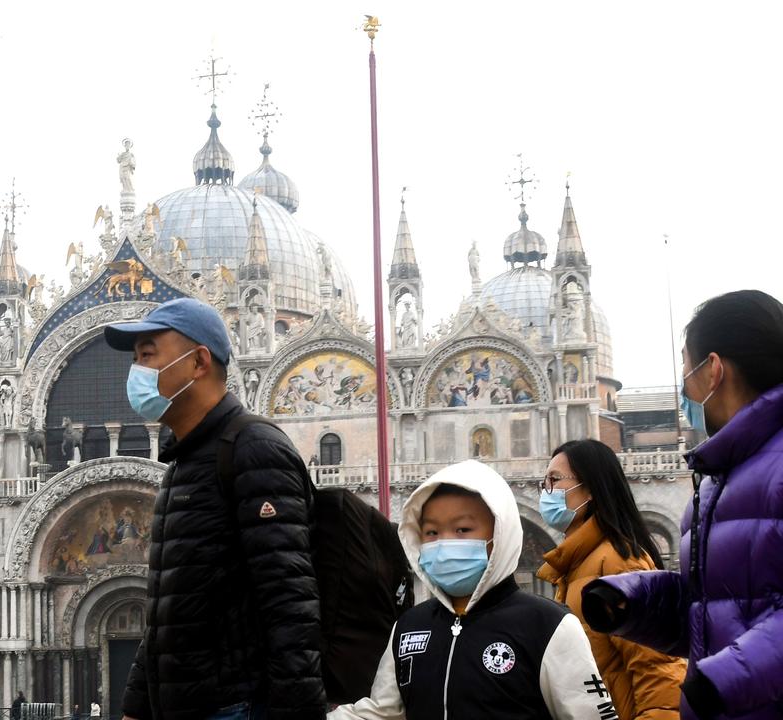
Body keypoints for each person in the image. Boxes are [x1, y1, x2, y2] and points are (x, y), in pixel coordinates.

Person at [106, 297, 325, 718]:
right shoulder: (184, 463)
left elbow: (290, 605)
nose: (136, 371)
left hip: (236, 706)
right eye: (136, 359)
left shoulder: (253, 448)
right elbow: (166, 609)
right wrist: (135, 705)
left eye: (148, 355)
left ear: (199, 362)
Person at [584, 289, 783, 719]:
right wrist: (632, 600)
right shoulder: (715, 481)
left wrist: (724, 678)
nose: (684, 387)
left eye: (684, 366)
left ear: (712, 371)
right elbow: (715, 608)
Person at [328, 460, 616, 719]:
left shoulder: (548, 625)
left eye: (463, 530)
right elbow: (383, 712)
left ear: (500, 535)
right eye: (431, 532)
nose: (444, 543)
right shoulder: (409, 626)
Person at [536, 439, 686, 719]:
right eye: (544, 482)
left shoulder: (619, 561)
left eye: (555, 480)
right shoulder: (575, 565)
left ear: (590, 488)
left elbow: (657, 669)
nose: (546, 491)